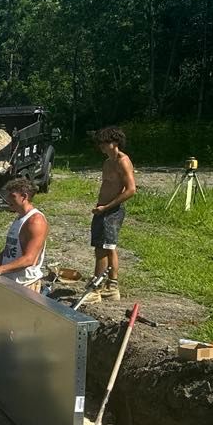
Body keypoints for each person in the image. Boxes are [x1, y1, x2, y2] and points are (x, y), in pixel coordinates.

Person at [84, 126, 136, 303]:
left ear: (113, 143)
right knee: (109, 247)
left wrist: (106, 207)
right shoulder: (108, 162)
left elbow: (131, 190)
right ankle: (112, 288)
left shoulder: (123, 161)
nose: (100, 146)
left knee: (102, 250)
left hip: (111, 211)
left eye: (103, 143)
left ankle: (96, 289)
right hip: (103, 209)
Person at [0, 177, 48, 291]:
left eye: (12, 196)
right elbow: (8, 252)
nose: (7, 199)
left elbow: (29, 259)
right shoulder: (20, 218)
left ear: (24, 197)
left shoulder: (35, 221)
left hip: (26, 286)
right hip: (12, 283)